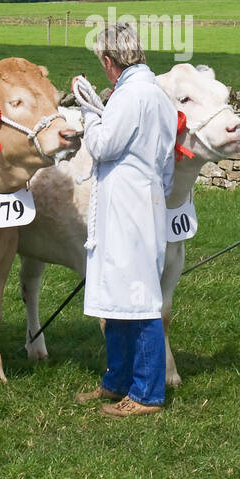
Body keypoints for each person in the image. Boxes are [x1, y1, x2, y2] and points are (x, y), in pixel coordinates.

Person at [73, 22, 177, 417]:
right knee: (118, 293)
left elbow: (102, 145)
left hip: (126, 206)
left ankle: (147, 393)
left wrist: (88, 111)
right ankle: (116, 380)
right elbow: (167, 159)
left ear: (108, 60)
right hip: (143, 199)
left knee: (139, 296)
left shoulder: (130, 95)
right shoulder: (157, 95)